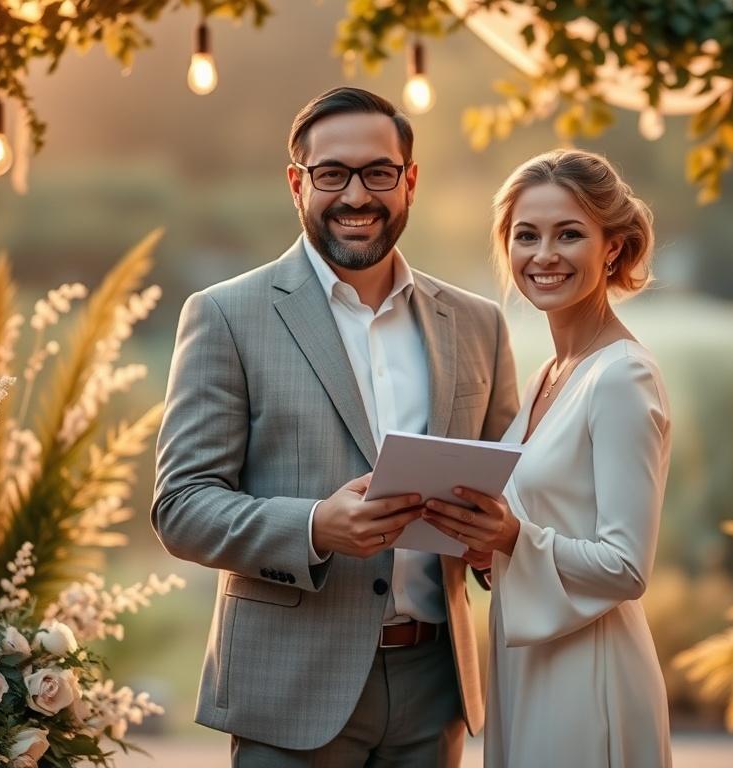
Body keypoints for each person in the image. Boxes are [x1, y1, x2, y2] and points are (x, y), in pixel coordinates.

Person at [150, 86, 519, 767]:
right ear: (298, 184)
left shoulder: (478, 324)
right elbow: (181, 506)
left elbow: (508, 495)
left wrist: (492, 544)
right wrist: (317, 526)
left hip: (434, 687)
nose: (356, 195)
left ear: (410, 182)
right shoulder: (226, 314)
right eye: (332, 174)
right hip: (287, 687)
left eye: (378, 172)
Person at [422, 148, 673, 767]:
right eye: (526, 235)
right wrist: (487, 548)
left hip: (589, 674)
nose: (544, 255)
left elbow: (625, 566)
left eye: (570, 234)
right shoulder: (548, 375)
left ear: (612, 248)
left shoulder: (622, 377)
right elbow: (550, 521)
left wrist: (512, 538)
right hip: (528, 661)